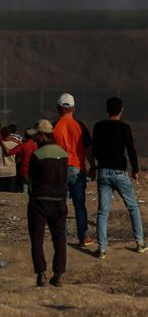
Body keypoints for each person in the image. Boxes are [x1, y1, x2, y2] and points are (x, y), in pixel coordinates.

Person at [92, 97, 145, 257]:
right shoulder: (124, 128)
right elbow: (131, 150)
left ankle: (102, 248)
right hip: (120, 173)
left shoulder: (98, 126)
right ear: (121, 110)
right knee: (133, 207)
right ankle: (140, 243)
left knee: (103, 211)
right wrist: (135, 169)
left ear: (107, 110)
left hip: (103, 172)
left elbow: (95, 151)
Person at [27, 119, 68, 287]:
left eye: (36, 136)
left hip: (39, 202)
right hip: (59, 202)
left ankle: (41, 273)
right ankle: (58, 274)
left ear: (42, 136)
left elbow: (31, 180)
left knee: (37, 239)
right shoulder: (63, 154)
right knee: (59, 239)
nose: (34, 139)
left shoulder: (37, 155)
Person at [53, 93, 96, 248]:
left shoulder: (54, 126)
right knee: (79, 204)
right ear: (73, 108)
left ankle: (61, 238)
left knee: (60, 205)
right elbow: (88, 148)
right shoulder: (81, 126)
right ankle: (83, 237)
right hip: (78, 168)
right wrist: (93, 166)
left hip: (59, 169)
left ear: (59, 108)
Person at [8, 128, 38, 193]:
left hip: (24, 170)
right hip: (35, 170)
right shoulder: (36, 145)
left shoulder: (23, 145)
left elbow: (10, 152)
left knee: (25, 188)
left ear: (25, 136)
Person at [0, 127, 19, 192]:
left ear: (1, 135)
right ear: (10, 134)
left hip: (0, 173)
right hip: (11, 172)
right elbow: (18, 158)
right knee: (10, 194)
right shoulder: (15, 144)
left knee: (0, 194)